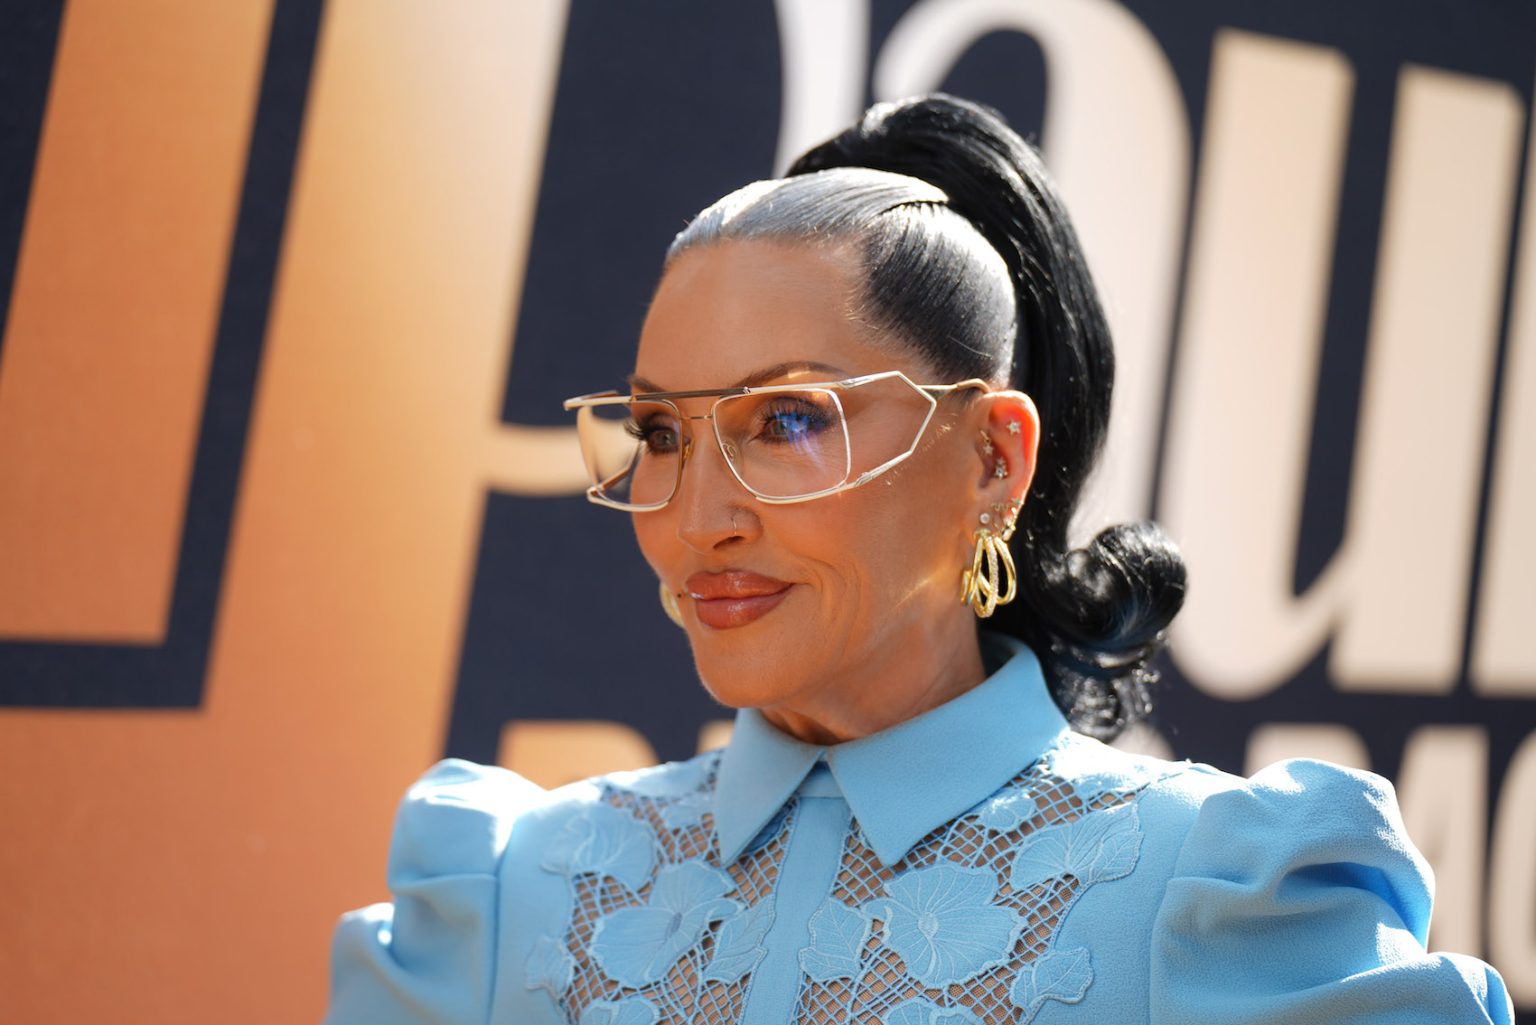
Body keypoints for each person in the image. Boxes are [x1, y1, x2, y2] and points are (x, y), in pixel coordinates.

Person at [322, 94, 1515, 1025]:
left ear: (993, 458)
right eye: (661, 433)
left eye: (788, 419)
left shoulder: (1216, 900)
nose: (698, 518)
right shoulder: (513, 888)